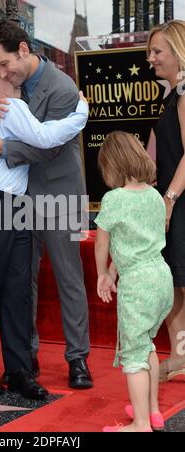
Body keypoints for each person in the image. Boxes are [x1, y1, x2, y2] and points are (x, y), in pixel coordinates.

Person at [0, 58, 89, 400]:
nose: (6, 74)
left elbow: (43, 144)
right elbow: (44, 137)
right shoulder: (8, 103)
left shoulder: (50, 87)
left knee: (18, 292)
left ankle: (18, 370)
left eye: (6, 65)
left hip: (18, 205)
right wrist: (81, 115)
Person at [95, 131, 173, 433]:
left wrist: (102, 272)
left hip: (138, 285)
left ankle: (140, 425)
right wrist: (114, 273)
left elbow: (103, 243)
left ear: (111, 165)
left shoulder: (114, 199)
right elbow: (137, 242)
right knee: (147, 346)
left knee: (134, 355)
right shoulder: (155, 196)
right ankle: (152, 411)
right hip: (160, 279)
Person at [148, 20, 185, 382]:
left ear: (178, 51)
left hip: (181, 199)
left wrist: (170, 199)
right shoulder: (173, 94)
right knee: (174, 281)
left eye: (158, 51)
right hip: (174, 197)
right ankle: (179, 356)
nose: (151, 58)